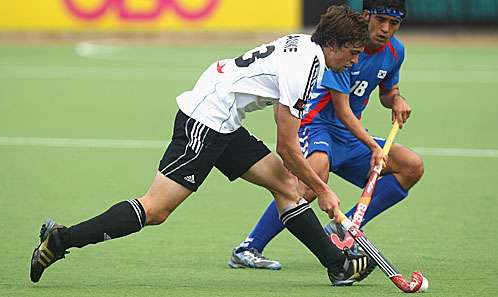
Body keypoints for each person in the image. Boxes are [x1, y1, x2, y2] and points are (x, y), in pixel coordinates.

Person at [30, 5, 373, 286]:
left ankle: (338, 265)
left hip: (222, 114)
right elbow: (287, 146)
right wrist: (322, 190)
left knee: (285, 184)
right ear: (334, 44)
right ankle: (61, 239)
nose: (354, 61)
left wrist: (312, 186)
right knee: (156, 209)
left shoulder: (306, 45)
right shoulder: (306, 67)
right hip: (206, 119)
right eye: (353, 53)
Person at [229, 0, 423, 280]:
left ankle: (344, 227)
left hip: (350, 135)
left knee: (411, 166)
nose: (386, 29)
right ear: (365, 15)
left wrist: (397, 99)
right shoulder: (347, 48)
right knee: (310, 183)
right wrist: (372, 146)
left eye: (394, 24)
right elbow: (342, 110)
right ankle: (248, 248)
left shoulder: (395, 51)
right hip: (318, 126)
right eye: (380, 20)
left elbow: (386, 92)